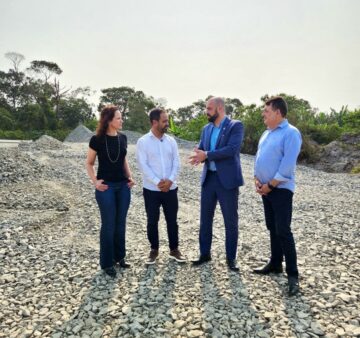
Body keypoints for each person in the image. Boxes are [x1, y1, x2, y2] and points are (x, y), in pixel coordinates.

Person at [253, 96, 302, 296]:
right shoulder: (266, 133)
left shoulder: (291, 133)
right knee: (271, 227)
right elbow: (259, 158)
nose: (263, 114)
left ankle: (293, 275)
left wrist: (270, 185)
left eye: (266, 111)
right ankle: (275, 264)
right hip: (265, 189)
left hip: (280, 190)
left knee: (283, 230)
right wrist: (257, 180)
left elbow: (287, 165)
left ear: (278, 113)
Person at [189, 97, 244, 271]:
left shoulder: (235, 126)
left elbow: (232, 149)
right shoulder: (206, 128)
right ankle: (204, 254)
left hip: (227, 181)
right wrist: (198, 154)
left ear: (220, 108)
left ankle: (230, 258)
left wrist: (207, 155)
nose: (206, 111)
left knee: (230, 221)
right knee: (205, 219)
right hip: (209, 179)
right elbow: (202, 146)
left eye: (209, 108)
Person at [86, 105, 135, 278]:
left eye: (121, 118)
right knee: (108, 225)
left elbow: (124, 160)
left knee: (120, 223)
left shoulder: (123, 138)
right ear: (108, 120)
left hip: (123, 186)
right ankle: (107, 263)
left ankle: (120, 257)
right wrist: (95, 182)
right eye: (118, 118)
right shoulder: (97, 139)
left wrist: (130, 177)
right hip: (105, 187)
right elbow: (89, 163)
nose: (121, 121)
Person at [136, 108, 185, 265]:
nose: (167, 124)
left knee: (172, 220)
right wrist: (158, 182)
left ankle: (174, 250)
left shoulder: (171, 141)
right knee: (152, 221)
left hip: (171, 189)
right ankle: (154, 250)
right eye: (164, 121)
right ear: (154, 122)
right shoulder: (143, 142)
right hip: (151, 190)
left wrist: (169, 181)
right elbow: (143, 165)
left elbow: (177, 163)